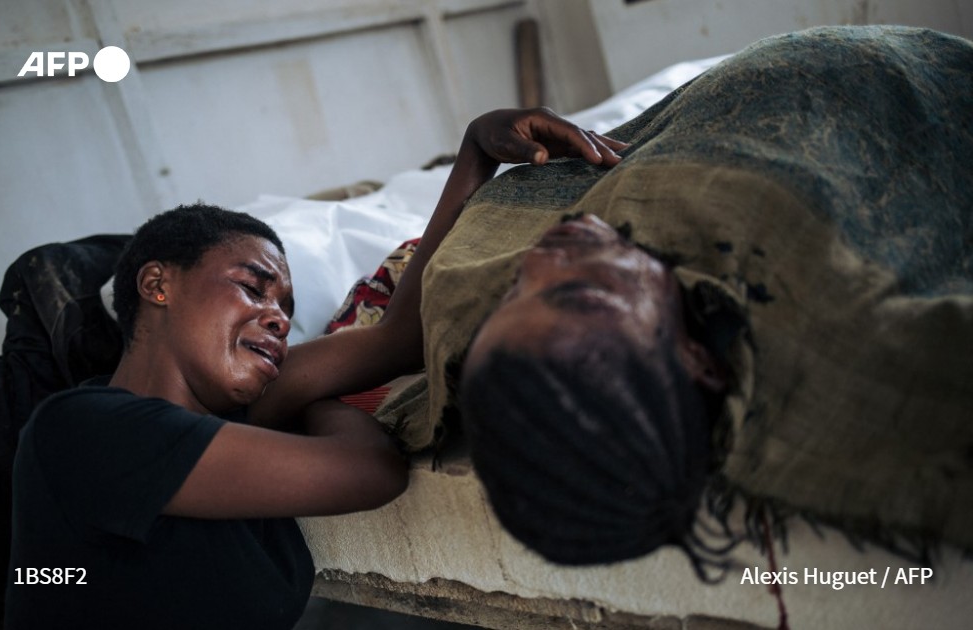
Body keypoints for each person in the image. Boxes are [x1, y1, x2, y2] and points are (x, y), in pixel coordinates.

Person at [4, 109, 627, 629]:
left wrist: (475, 154)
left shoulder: (237, 417)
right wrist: (317, 397)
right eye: (253, 288)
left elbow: (401, 338)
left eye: (287, 309)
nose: (278, 319)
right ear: (157, 285)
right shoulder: (84, 429)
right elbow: (371, 471)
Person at [387, 25, 973, 573]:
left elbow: (409, 330)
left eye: (514, 290)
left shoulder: (481, 297)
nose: (540, 255)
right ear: (697, 359)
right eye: (584, 293)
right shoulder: (836, 317)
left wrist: (476, 147)